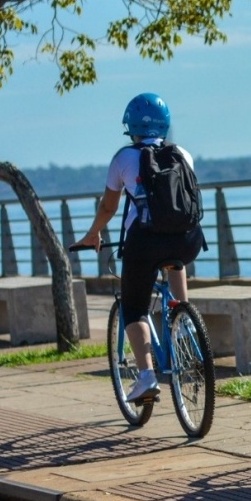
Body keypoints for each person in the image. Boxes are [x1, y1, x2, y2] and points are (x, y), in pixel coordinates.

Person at [73, 92, 205, 403]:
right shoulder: (183, 154)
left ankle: (146, 377)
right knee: (174, 258)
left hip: (144, 243)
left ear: (131, 127)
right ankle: (183, 318)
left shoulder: (123, 158)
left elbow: (109, 207)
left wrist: (93, 233)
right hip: (188, 240)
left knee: (134, 308)